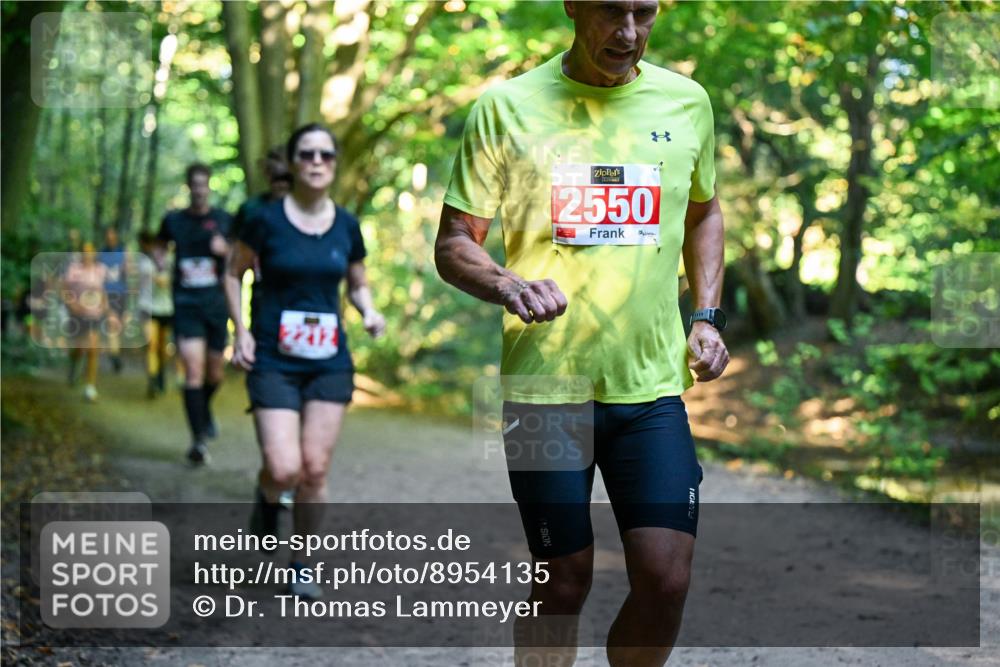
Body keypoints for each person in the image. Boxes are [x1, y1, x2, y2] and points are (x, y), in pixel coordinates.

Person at [434, 2, 729, 665]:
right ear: (572, 5)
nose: (627, 32)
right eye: (609, 11)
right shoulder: (507, 108)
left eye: (643, 12)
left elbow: (705, 214)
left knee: (666, 578)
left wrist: (705, 316)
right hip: (546, 391)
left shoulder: (686, 104)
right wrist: (510, 285)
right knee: (561, 580)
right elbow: (454, 242)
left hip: (650, 389)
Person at [225, 123, 385, 599]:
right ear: (293, 164)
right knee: (283, 468)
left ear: (334, 164)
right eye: (308, 154)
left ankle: (302, 564)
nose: (317, 162)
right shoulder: (264, 220)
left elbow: (356, 281)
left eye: (326, 155)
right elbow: (233, 275)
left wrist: (370, 310)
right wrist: (242, 333)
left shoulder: (347, 225)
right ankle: (267, 493)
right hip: (274, 358)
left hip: (329, 361)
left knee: (314, 469)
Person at [155, 163, 233, 464]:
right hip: (187, 303)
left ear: (209, 186)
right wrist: (160, 260)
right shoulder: (173, 220)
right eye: (194, 184)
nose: (199, 189)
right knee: (194, 370)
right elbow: (159, 246)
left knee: (215, 373)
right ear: (188, 187)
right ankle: (198, 440)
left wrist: (224, 250)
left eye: (204, 184)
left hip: (215, 304)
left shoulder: (224, 220)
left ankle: (204, 409)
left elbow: (241, 255)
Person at [63, 242, 109, 402]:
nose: (87, 255)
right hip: (77, 314)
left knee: (93, 348)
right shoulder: (74, 269)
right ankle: (74, 364)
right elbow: (64, 289)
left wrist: (104, 305)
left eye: (90, 251)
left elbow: (102, 289)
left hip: (94, 314)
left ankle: (90, 387)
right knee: (78, 349)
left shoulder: (100, 269)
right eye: (84, 251)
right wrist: (71, 305)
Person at [139, 231, 175, 398]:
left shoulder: (172, 260)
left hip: (167, 309)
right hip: (148, 307)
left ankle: (160, 374)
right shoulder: (145, 261)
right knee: (151, 345)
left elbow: (168, 281)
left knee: (162, 347)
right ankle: (152, 379)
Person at [99, 226, 127, 374]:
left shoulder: (123, 253)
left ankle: (115, 352)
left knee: (119, 327)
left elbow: (129, 274)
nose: (110, 238)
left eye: (112, 235)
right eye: (107, 235)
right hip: (107, 295)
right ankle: (115, 356)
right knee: (112, 324)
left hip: (122, 295)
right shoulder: (101, 255)